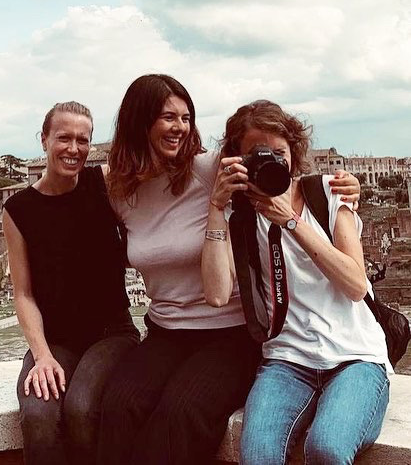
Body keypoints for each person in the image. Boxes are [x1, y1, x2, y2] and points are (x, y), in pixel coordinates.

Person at [96, 75, 360, 464]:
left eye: (186, 117)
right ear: (140, 121)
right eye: (168, 117)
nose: (180, 128)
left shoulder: (207, 168)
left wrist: (342, 186)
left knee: (180, 415)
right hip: (165, 330)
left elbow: (276, 167)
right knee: (117, 406)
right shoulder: (118, 190)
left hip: (231, 333)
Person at [202, 100, 390, 465]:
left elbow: (355, 283)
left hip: (356, 358)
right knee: (257, 456)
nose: (271, 162)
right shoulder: (238, 215)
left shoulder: (329, 194)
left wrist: (290, 221)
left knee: (326, 448)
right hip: (287, 360)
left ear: (294, 152)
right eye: (258, 155)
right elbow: (216, 293)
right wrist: (215, 206)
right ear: (238, 161)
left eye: (279, 153)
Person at [3, 101, 139, 465]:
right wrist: (42, 355)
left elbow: (155, 169)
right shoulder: (18, 209)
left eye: (83, 140)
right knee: (37, 413)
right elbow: (24, 294)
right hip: (55, 340)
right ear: (44, 139)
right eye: (64, 138)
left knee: (81, 408)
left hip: (112, 334)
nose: (74, 149)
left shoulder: (104, 184)